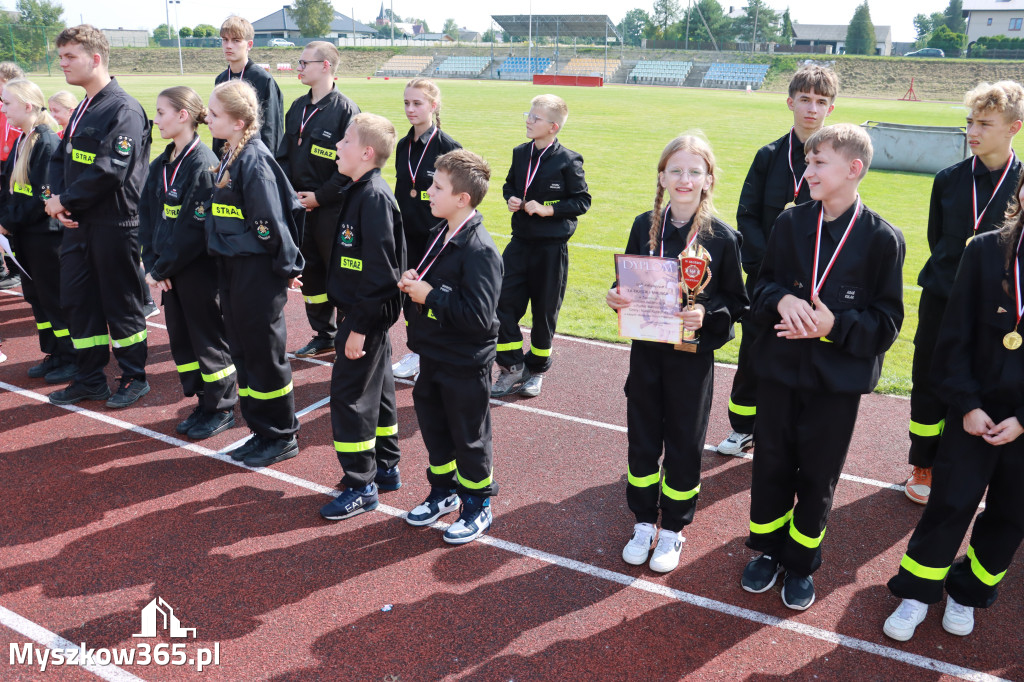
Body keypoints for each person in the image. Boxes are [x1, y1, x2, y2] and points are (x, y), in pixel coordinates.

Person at [741, 124, 905, 610]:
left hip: (835, 385)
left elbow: (888, 322)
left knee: (818, 475)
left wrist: (834, 326)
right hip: (779, 374)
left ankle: (800, 563)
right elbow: (762, 286)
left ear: (853, 170)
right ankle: (766, 551)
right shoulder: (790, 223)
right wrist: (783, 299)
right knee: (770, 464)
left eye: (818, 163)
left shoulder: (882, 240)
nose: (807, 169)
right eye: (808, 161)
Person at [883, 174, 1024, 642]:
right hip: (974, 412)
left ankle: (967, 594)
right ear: (1021, 192)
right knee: (950, 501)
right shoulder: (984, 250)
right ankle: (918, 591)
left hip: (1023, 424)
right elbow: (954, 336)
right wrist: (965, 404)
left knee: (1013, 513)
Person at [606, 135, 747, 573]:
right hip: (646, 357)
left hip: (691, 361)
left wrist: (706, 313)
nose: (684, 179)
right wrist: (616, 297)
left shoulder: (722, 238)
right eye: (676, 171)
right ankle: (645, 521)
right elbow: (627, 284)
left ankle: (674, 530)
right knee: (643, 441)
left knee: (685, 445)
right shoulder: (641, 225)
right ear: (662, 177)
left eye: (694, 171)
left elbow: (736, 303)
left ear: (708, 179)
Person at [904, 81, 1024, 505]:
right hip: (941, 299)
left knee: (980, 384)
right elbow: (939, 239)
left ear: (1014, 128)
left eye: (985, 124)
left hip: (997, 312)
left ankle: (967, 461)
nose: (973, 131)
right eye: (970, 122)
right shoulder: (948, 180)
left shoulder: (1022, 184)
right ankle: (923, 461)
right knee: (929, 380)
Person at [719, 65, 839, 457]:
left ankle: (790, 432)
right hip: (765, 280)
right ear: (790, 102)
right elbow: (747, 216)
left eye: (821, 102)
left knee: (804, 353)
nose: (812, 109)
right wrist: (765, 267)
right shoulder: (768, 156)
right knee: (754, 351)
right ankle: (742, 427)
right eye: (805, 99)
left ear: (831, 109)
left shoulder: (837, 161)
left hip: (815, 285)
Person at [44, 25, 153, 408]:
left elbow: (111, 170)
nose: (62, 64)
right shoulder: (84, 106)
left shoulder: (123, 109)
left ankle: (134, 377)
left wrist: (67, 200)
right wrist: (58, 199)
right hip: (78, 224)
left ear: (95, 59)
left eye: (69, 56)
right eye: (61, 57)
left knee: (121, 304)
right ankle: (90, 378)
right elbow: (61, 158)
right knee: (78, 302)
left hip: (114, 225)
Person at [398, 149, 503, 544]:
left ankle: (478, 506)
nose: (429, 192)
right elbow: (434, 282)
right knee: (435, 431)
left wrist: (429, 296)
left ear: (463, 198)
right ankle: (443, 493)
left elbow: (478, 318)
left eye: (437, 187)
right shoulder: (439, 232)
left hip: (464, 362)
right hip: (433, 355)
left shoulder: (480, 251)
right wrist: (416, 279)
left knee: (469, 437)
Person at [205, 80, 304, 466]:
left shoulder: (253, 161)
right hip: (233, 268)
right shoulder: (232, 154)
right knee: (244, 352)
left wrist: (285, 269)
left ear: (238, 121)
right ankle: (261, 429)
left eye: (215, 115)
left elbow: (270, 224)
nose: (207, 119)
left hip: (255, 271)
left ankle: (281, 435)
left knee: (264, 355)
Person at [318, 113, 405, 521]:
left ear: (367, 152)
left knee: (350, 399)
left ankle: (360, 485)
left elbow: (381, 274)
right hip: (362, 313)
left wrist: (358, 328)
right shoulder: (358, 189)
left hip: (363, 316)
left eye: (346, 141)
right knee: (381, 392)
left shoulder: (372, 197)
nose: (338, 146)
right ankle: (385, 468)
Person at [139, 86, 237, 440]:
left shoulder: (203, 163)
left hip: (196, 271)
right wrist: (152, 263)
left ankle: (222, 406)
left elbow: (194, 230)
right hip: (168, 271)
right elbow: (147, 216)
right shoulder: (161, 163)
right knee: (183, 339)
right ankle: (203, 400)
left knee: (207, 337)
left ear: (183, 115)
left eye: (162, 112)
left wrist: (162, 269)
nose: (156, 119)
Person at [492, 93, 590, 398]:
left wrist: (548, 209)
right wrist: (509, 197)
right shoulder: (520, 153)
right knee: (499, 304)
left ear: (553, 126)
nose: (528, 120)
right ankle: (511, 367)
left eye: (535, 117)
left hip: (551, 249)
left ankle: (536, 370)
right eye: (528, 114)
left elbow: (582, 201)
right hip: (519, 243)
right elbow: (509, 183)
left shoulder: (568, 160)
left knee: (544, 314)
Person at [277, 41, 359, 359]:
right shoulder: (297, 107)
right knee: (310, 274)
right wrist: (290, 196)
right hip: (300, 208)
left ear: (325, 66)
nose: (298, 68)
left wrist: (319, 198)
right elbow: (284, 156)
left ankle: (349, 334)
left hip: (332, 208)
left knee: (338, 272)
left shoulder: (346, 111)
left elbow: (351, 166)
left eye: (303, 63)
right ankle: (323, 333)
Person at [0, 78, 76, 384]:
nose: (3, 109)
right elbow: (11, 189)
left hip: (45, 236)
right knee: (36, 296)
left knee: (54, 297)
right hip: (24, 235)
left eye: (7, 103)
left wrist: (8, 222)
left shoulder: (46, 141)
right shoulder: (22, 139)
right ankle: (55, 351)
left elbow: (42, 196)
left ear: (27, 106)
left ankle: (72, 356)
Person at [391, 78, 462, 381]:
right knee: (409, 297)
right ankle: (416, 351)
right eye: (407, 102)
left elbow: (459, 201)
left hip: (436, 238)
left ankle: (435, 354)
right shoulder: (402, 145)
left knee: (432, 298)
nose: (410, 109)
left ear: (433, 106)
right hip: (407, 237)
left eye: (417, 103)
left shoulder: (449, 149)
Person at [213, 16, 283, 155]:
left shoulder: (263, 79)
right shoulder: (221, 79)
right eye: (225, 40)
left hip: (252, 160)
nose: (229, 45)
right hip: (225, 158)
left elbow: (270, 128)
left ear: (249, 45)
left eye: (236, 40)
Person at [0, 61, 25, 291]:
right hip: (3, 164)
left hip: (12, 165)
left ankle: (16, 268)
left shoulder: (22, 105)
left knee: (11, 217)